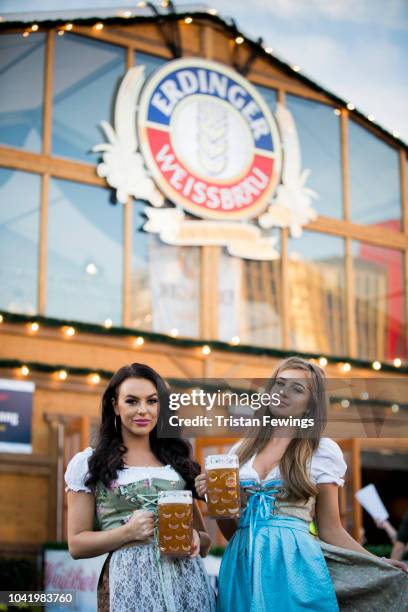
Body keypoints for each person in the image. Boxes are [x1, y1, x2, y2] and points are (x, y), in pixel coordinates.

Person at [195, 356, 408, 612]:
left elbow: (331, 528)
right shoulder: (239, 451)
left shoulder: (320, 450)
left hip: (295, 563)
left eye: (296, 389)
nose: (283, 393)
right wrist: (215, 498)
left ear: (310, 405)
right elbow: (233, 532)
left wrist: (379, 562)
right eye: (279, 384)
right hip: (242, 562)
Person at [65, 362, 216, 612]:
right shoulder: (90, 464)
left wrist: (195, 538)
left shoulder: (176, 463)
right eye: (132, 401)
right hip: (129, 582)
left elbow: (206, 540)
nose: (143, 410)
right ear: (115, 405)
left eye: (152, 401)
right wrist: (128, 532)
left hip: (187, 583)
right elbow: (77, 545)